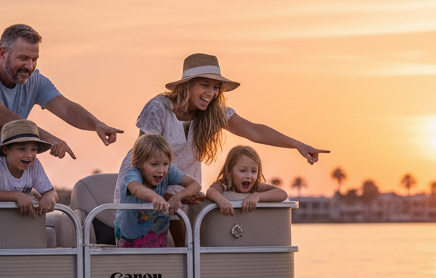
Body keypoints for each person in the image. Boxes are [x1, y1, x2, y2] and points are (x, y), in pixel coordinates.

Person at [113, 53, 328, 241]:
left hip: (184, 188)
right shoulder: (158, 108)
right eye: (204, 85)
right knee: (149, 243)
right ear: (188, 85)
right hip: (145, 187)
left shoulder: (215, 114)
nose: (211, 92)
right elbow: (143, 158)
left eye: (216, 87)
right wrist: (166, 195)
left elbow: (254, 130)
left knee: (188, 246)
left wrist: (297, 144)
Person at [0, 23, 122, 195]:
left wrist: (97, 124)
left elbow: (65, 107)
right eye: (23, 58)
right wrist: (49, 139)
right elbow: (1, 119)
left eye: (34, 59)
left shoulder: (35, 80)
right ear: (3, 53)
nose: (29, 66)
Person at [114, 135, 201, 248]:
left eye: (165, 164)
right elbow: (135, 187)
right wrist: (154, 197)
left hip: (156, 239)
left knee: (158, 263)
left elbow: (195, 185)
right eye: (154, 164)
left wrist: (178, 196)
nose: (161, 170)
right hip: (129, 240)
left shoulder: (169, 171)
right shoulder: (133, 173)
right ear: (139, 163)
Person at [0, 120, 58, 218]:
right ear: (6, 150)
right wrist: (17, 196)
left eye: (33, 149)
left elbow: (51, 192)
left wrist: (49, 196)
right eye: (22, 149)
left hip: (19, 220)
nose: (29, 155)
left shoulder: (34, 165)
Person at [206, 145, 288, 215]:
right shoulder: (225, 185)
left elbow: (282, 194)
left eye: (253, 171)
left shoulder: (256, 188)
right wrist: (221, 201)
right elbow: (211, 191)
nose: (249, 176)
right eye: (242, 171)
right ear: (229, 171)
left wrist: (257, 196)